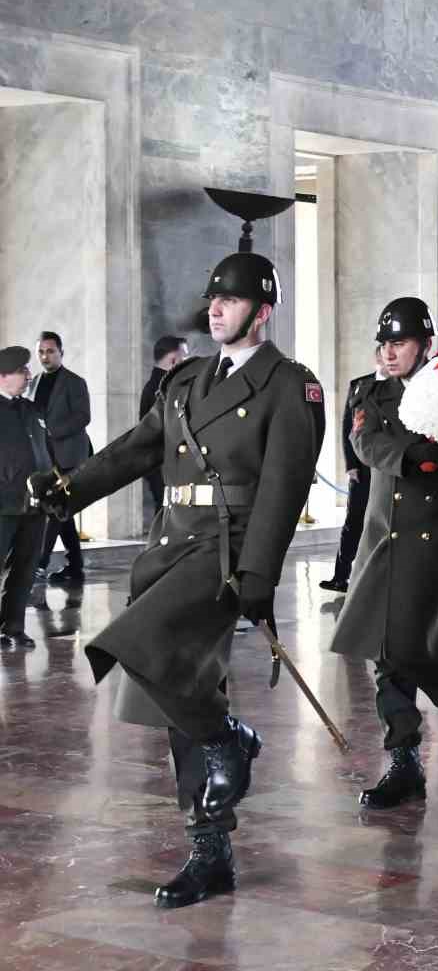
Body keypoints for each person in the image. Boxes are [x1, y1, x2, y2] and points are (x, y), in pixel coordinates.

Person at [29, 246, 325, 907]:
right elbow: (138, 448)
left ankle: (230, 739)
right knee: (177, 692)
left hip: (226, 551)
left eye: (231, 299)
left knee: (136, 645)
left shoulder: (289, 384)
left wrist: (260, 575)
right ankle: (209, 848)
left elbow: (285, 483)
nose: (215, 309)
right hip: (172, 548)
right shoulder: (187, 379)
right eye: (212, 300)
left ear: (263, 310)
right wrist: (67, 489)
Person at [330, 298, 438, 810]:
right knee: (383, 649)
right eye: (384, 344)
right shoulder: (367, 391)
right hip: (381, 533)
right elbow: (364, 442)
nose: (389, 352)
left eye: (399, 343)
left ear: (425, 344)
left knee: (408, 643)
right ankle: (403, 761)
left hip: (430, 533)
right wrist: (411, 457)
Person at [29, 331, 92, 585]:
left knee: (55, 510)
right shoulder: (33, 383)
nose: (45, 356)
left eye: (50, 351)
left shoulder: (75, 382)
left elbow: (83, 417)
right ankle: (75, 566)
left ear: (61, 352)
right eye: (41, 352)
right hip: (44, 457)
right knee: (62, 512)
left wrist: (52, 430)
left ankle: (40, 564)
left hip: (69, 457)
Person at [0, 346, 50, 649]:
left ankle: (13, 627)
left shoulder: (31, 410)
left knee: (26, 567)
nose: (28, 376)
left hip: (34, 504)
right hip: (2, 503)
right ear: (3, 377)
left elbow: (45, 452)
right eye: (22, 371)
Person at [321, 347, 380, 593]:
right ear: (377, 356)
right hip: (363, 467)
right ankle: (341, 575)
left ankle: (374, 576)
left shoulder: (402, 387)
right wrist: (351, 465)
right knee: (353, 520)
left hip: (387, 466)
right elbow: (348, 427)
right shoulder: (360, 385)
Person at [140, 335, 190, 515]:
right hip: (163, 464)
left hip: (162, 464)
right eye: (185, 356)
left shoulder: (159, 385)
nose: (188, 361)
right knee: (166, 515)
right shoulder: (162, 388)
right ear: (174, 359)